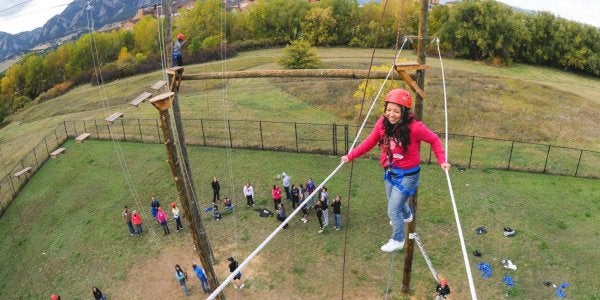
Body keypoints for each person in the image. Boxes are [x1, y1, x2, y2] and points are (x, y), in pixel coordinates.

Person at [341, 88, 450, 252]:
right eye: (389, 110)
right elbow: (369, 142)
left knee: (392, 210)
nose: (391, 114)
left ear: (404, 112)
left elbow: (434, 140)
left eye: (396, 111)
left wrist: (442, 161)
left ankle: (398, 239)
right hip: (390, 171)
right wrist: (350, 156)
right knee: (396, 204)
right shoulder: (382, 123)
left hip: (408, 175)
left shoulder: (415, 128)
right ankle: (407, 216)